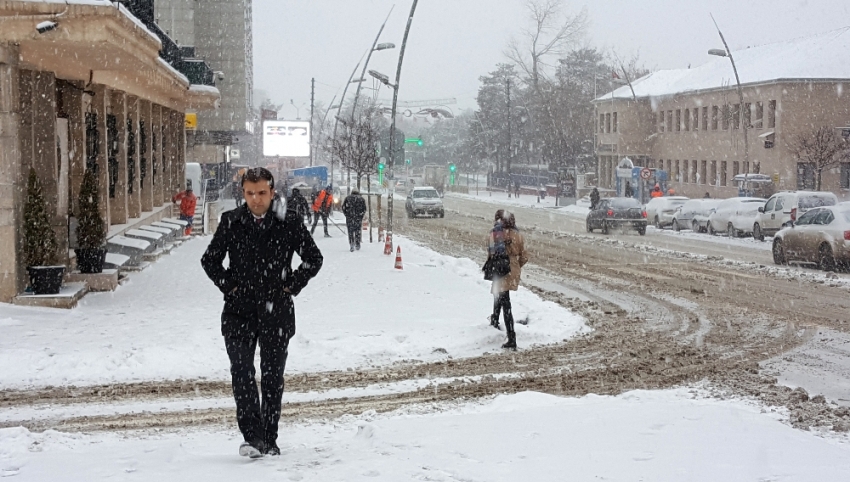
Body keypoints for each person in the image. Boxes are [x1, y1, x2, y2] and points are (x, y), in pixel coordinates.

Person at [201, 167, 323, 458]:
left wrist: (289, 286)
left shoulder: (288, 222)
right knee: (242, 375)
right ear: (243, 193)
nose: (256, 199)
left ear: (272, 192)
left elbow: (314, 259)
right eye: (249, 193)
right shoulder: (232, 222)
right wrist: (230, 287)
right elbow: (210, 261)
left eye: (261, 193)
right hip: (238, 313)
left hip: (276, 313)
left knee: (271, 379)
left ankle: (269, 439)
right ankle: (252, 437)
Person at [486, 210, 528, 350]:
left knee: (505, 302)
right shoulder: (518, 235)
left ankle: (511, 337)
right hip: (512, 269)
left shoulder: (495, 233)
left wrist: (497, 265)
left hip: (500, 268)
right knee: (500, 295)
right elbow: (524, 256)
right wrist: (515, 266)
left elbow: (491, 252)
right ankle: (495, 320)